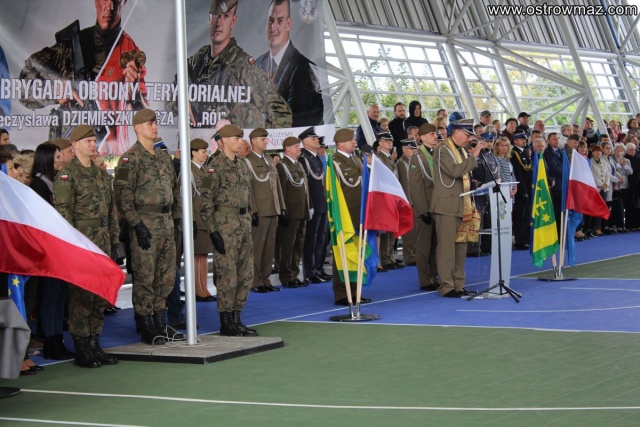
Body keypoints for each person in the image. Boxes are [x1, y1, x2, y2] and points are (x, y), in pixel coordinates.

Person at [19, 0, 148, 154]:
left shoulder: (130, 51)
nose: (110, 7)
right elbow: (22, 89)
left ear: (124, 2)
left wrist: (135, 95)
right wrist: (54, 90)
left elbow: (146, 114)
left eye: (115, 0)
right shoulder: (70, 46)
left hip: (111, 153)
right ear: (96, 1)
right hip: (67, 153)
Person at [113, 109, 183, 345]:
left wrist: (176, 218)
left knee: (165, 276)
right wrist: (136, 225)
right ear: (137, 128)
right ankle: (147, 326)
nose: (155, 127)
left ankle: (161, 322)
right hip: (145, 223)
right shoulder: (129, 159)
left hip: (165, 222)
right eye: (150, 123)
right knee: (145, 276)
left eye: (155, 123)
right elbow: (122, 196)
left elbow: (174, 190)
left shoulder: (163, 157)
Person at [52, 125, 119, 368]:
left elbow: (111, 212)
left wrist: (114, 241)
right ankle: (82, 348)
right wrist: (71, 248)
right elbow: (63, 216)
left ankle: (94, 344)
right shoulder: (68, 176)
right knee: (81, 297)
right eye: (88, 141)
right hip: (81, 243)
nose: (93, 144)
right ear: (75, 145)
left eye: (94, 140)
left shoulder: (101, 175)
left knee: (100, 295)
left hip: (102, 242)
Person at [169, 0, 291, 129]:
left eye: (225, 16)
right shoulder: (198, 60)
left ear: (233, 21)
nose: (219, 23)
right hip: (198, 139)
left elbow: (281, 112)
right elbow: (169, 96)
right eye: (216, 16)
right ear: (210, 19)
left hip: (228, 140)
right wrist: (180, 100)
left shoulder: (243, 66)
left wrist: (260, 138)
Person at [200, 124, 258, 337]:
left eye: (240, 138)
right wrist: (213, 231)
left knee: (245, 274)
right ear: (223, 140)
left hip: (243, 224)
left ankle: (236, 317)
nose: (240, 142)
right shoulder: (214, 166)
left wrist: (250, 216)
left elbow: (247, 195)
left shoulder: (242, 164)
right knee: (227, 276)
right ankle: (226, 321)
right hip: (224, 226)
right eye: (235, 138)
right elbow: (205, 202)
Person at [431, 119, 483, 297]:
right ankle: (447, 286)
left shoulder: (461, 150)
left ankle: (459, 284)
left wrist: (479, 185)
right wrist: (473, 156)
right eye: (466, 135)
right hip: (447, 206)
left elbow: (465, 177)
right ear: (456, 132)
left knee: (461, 248)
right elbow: (454, 171)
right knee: (447, 249)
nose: (468, 139)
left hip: (462, 204)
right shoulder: (443, 149)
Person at [255, 0, 323, 126]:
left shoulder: (304, 68)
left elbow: (297, 120)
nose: (273, 27)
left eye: (280, 21)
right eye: (270, 20)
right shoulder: (257, 64)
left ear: (288, 24)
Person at [331, 128, 372, 306]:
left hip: (359, 214)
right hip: (345, 215)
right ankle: (342, 293)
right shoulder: (334, 163)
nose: (354, 142)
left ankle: (356, 291)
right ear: (341, 143)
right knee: (343, 254)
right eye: (351, 140)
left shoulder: (356, 159)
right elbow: (332, 192)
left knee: (357, 254)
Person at [244, 127, 286, 293]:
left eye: (266, 139)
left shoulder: (269, 159)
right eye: (262, 139)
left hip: (273, 208)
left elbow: (276, 186)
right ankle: (255, 280)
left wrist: (282, 207)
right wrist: (253, 210)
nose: (266, 142)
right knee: (257, 247)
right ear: (254, 141)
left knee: (269, 247)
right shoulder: (248, 161)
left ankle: (265, 279)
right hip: (260, 210)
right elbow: (248, 188)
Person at [409, 124, 441, 290]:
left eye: (435, 133)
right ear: (422, 137)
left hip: (438, 206)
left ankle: (434, 274)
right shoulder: (417, 157)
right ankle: (425, 279)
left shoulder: (437, 153)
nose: (435, 136)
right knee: (423, 246)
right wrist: (423, 210)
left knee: (435, 245)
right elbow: (416, 186)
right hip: (426, 207)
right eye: (431, 134)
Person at [276, 136, 309, 288]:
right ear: (287, 149)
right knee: (287, 245)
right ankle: (286, 276)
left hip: (301, 210)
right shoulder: (282, 166)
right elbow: (282, 190)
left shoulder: (298, 164)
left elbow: (304, 188)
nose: (299, 148)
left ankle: (294, 274)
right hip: (290, 211)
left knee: (298, 244)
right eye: (296, 146)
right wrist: (283, 210)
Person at [299, 127, 331, 284]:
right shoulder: (304, 159)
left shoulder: (316, 158)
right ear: (305, 143)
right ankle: (309, 272)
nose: (317, 140)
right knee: (311, 240)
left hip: (322, 203)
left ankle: (319, 268)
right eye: (313, 138)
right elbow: (306, 185)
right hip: (314, 204)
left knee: (322, 239)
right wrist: (310, 205)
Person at [187, 138, 216, 302]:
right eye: (203, 151)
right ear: (194, 152)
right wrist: (190, 219)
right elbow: (185, 197)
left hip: (205, 218)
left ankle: (204, 288)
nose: (206, 154)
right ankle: (197, 289)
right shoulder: (188, 170)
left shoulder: (205, 170)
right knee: (197, 255)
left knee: (203, 255)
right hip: (196, 218)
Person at [376, 132, 403, 270]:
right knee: (386, 230)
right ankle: (385, 258)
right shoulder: (379, 159)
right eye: (386, 141)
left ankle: (390, 256)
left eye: (390, 140)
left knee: (392, 228)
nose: (389, 143)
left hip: (393, 196)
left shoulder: (389, 158)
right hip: (385, 197)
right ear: (380, 143)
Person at [396, 138, 418, 267]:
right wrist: (409, 202)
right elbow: (406, 184)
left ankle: (414, 254)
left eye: (415, 148)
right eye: (411, 149)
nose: (414, 151)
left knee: (416, 231)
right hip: (408, 201)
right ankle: (409, 256)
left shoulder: (412, 161)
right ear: (404, 149)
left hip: (415, 200)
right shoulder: (402, 163)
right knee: (409, 232)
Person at [510, 133, 533, 250]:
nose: (524, 141)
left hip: (528, 187)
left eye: (525, 139)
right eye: (521, 139)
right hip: (520, 189)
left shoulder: (524, 152)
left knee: (526, 216)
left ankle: (525, 238)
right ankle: (519, 241)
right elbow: (518, 173)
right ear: (515, 141)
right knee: (520, 216)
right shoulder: (514, 153)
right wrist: (523, 190)